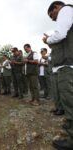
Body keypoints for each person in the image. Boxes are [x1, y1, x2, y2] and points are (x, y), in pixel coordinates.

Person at [43, 1, 73, 149]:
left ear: (56, 7)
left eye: (52, 15)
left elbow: (60, 34)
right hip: (68, 64)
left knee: (69, 101)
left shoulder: (66, 10)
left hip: (68, 65)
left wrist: (47, 39)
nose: (53, 19)